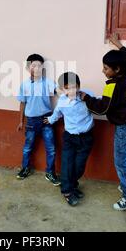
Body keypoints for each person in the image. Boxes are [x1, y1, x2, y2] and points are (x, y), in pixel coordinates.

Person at [79, 33, 126, 211]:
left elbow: (102, 108)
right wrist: (118, 45)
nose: (103, 71)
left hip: (125, 128)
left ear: (117, 70)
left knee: (122, 162)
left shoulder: (111, 86)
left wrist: (86, 98)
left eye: (106, 68)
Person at [44, 72, 95, 206]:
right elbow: (57, 114)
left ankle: (72, 185)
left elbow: (100, 105)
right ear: (62, 89)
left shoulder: (88, 96)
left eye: (74, 87)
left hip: (86, 137)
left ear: (79, 86)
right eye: (67, 88)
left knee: (79, 166)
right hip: (70, 138)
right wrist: (49, 120)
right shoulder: (62, 102)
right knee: (67, 165)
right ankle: (67, 191)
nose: (71, 91)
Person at [16, 53, 60, 186]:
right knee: (27, 147)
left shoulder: (48, 83)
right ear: (28, 68)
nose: (36, 68)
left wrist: (71, 92)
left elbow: (59, 93)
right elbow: (22, 103)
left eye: (39, 66)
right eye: (33, 65)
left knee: (51, 148)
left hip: (46, 120)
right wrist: (21, 121)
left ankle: (50, 172)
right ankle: (25, 168)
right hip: (31, 121)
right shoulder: (24, 85)